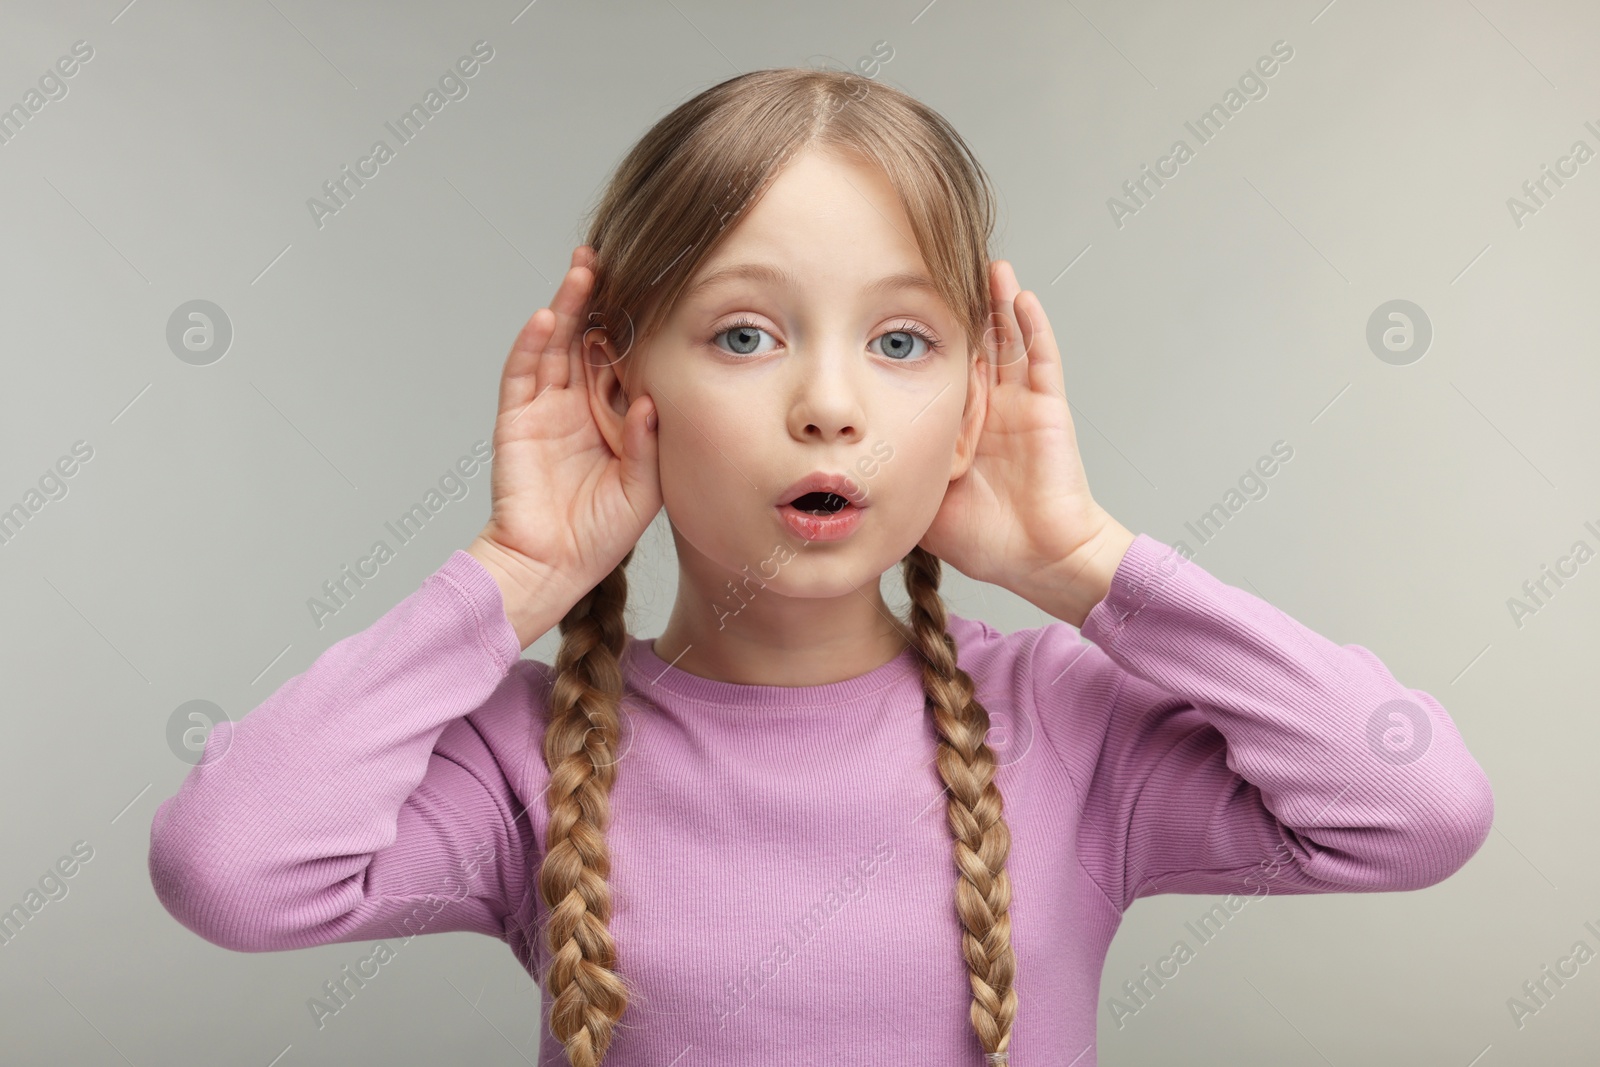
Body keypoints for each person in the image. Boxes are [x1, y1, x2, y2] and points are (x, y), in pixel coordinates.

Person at [147, 67, 1494, 1067]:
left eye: (902, 343)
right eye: (745, 335)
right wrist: (516, 571)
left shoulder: (1067, 726)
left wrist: (1089, 565)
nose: (830, 403)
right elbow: (229, 868)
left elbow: (1414, 808)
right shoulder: (531, 754)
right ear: (623, 393)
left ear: (971, 405)